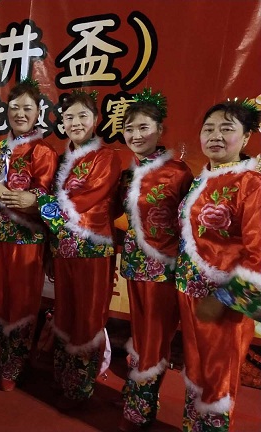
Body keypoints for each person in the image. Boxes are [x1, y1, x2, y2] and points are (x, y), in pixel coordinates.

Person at [175, 99, 261, 432]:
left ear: (247, 136)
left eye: (227, 129)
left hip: (223, 303)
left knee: (218, 379)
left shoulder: (251, 184)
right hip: (190, 294)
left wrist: (225, 299)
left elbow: (258, 252)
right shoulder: (203, 178)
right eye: (208, 128)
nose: (215, 136)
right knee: (196, 371)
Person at [36, 90, 121, 407]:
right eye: (69, 117)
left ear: (96, 119)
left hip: (92, 251)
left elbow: (85, 200)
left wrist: (39, 203)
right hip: (63, 249)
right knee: (65, 313)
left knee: (88, 317)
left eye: (82, 116)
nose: (75, 122)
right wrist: (50, 248)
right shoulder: (62, 161)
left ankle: (81, 387)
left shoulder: (106, 157)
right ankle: (63, 377)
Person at [117, 90, 193, 431]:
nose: (136, 135)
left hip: (163, 270)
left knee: (154, 340)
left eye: (143, 127)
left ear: (160, 130)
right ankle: (137, 396)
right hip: (134, 267)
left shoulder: (178, 172)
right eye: (129, 128)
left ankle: (140, 409)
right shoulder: (129, 172)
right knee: (140, 335)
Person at [0, 79, 58, 391]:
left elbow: (42, 198)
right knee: (3, 300)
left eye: (27, 108)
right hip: (0, 237)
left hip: (28, 240)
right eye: (14, 108)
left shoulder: (43, 150)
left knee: (24, 302)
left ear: (38, 112)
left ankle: (16, 362)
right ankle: (8, 353)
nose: (20, 114)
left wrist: (6, 194)